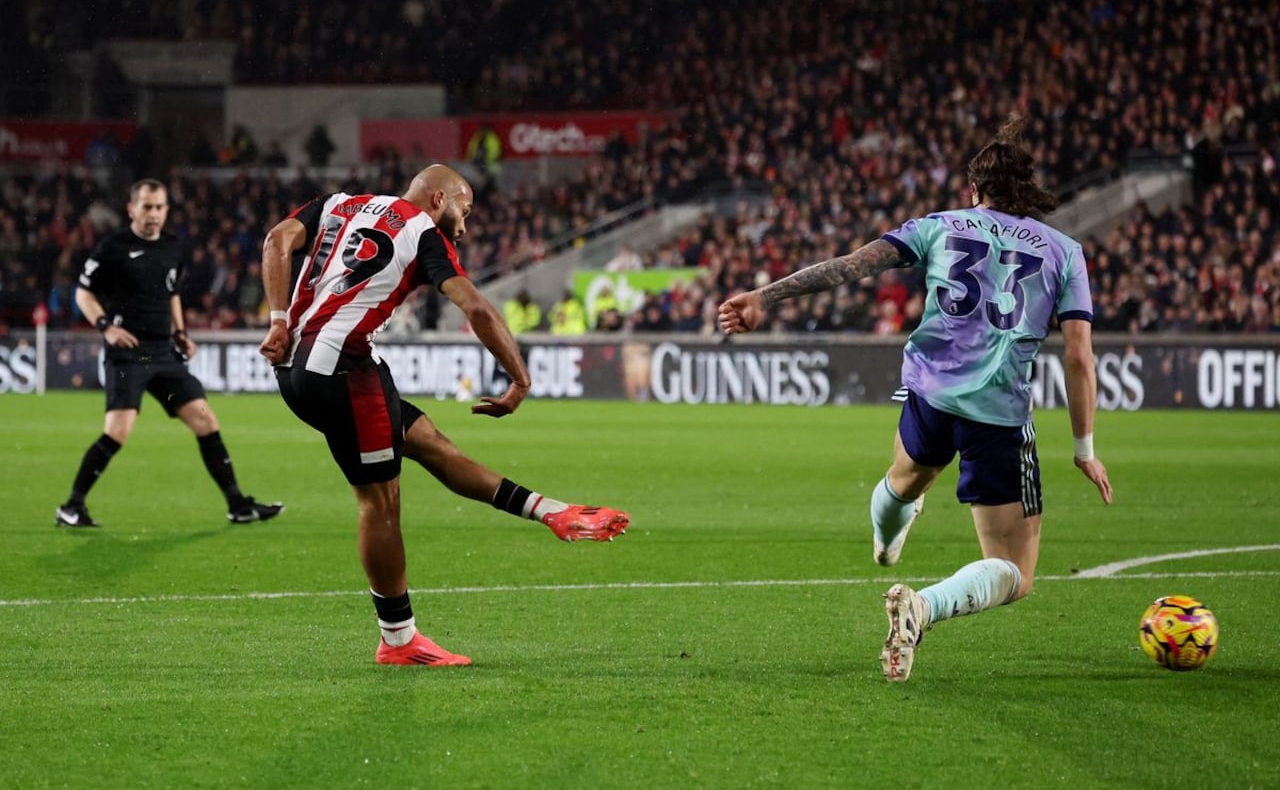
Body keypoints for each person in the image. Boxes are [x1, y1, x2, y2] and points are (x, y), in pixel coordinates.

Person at [718, 114, 1113, 682]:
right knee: (1012, 570)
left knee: (905, 480)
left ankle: (886, 538)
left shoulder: (939, 224)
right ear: (1026, 191)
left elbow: (850, 267)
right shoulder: (1064, 251)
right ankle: (924, 606)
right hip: (997, 416)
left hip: (928, 396)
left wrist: (765, 294)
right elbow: (1078, 355)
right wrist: (1084, 448)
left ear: (973, 189)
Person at [257, 164, 630, 667]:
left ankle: (550, 510)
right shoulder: (423, 233)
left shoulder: (339, 203)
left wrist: (278, 320)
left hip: (297, 368)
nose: (465, 223)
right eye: (464, 208)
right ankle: (398, 640)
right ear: (439, 199)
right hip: (343, 369)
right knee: (380, 501)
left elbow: (277, 240)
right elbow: (475, 307)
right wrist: (519, 378)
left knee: (426, 440)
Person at [55, 179, 283, 528]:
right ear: (132, 209)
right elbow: (83, 293)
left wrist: (180, 332)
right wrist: (106, 327)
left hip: (162, 352)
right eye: (146, 206)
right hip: (128, 353)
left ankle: (238, 504)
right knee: (118, 431)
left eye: (159, 207)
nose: (153, 214)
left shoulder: (173, 247)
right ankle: (72, 506)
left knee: (206, 421)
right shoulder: (113, 247)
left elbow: (172, 293)